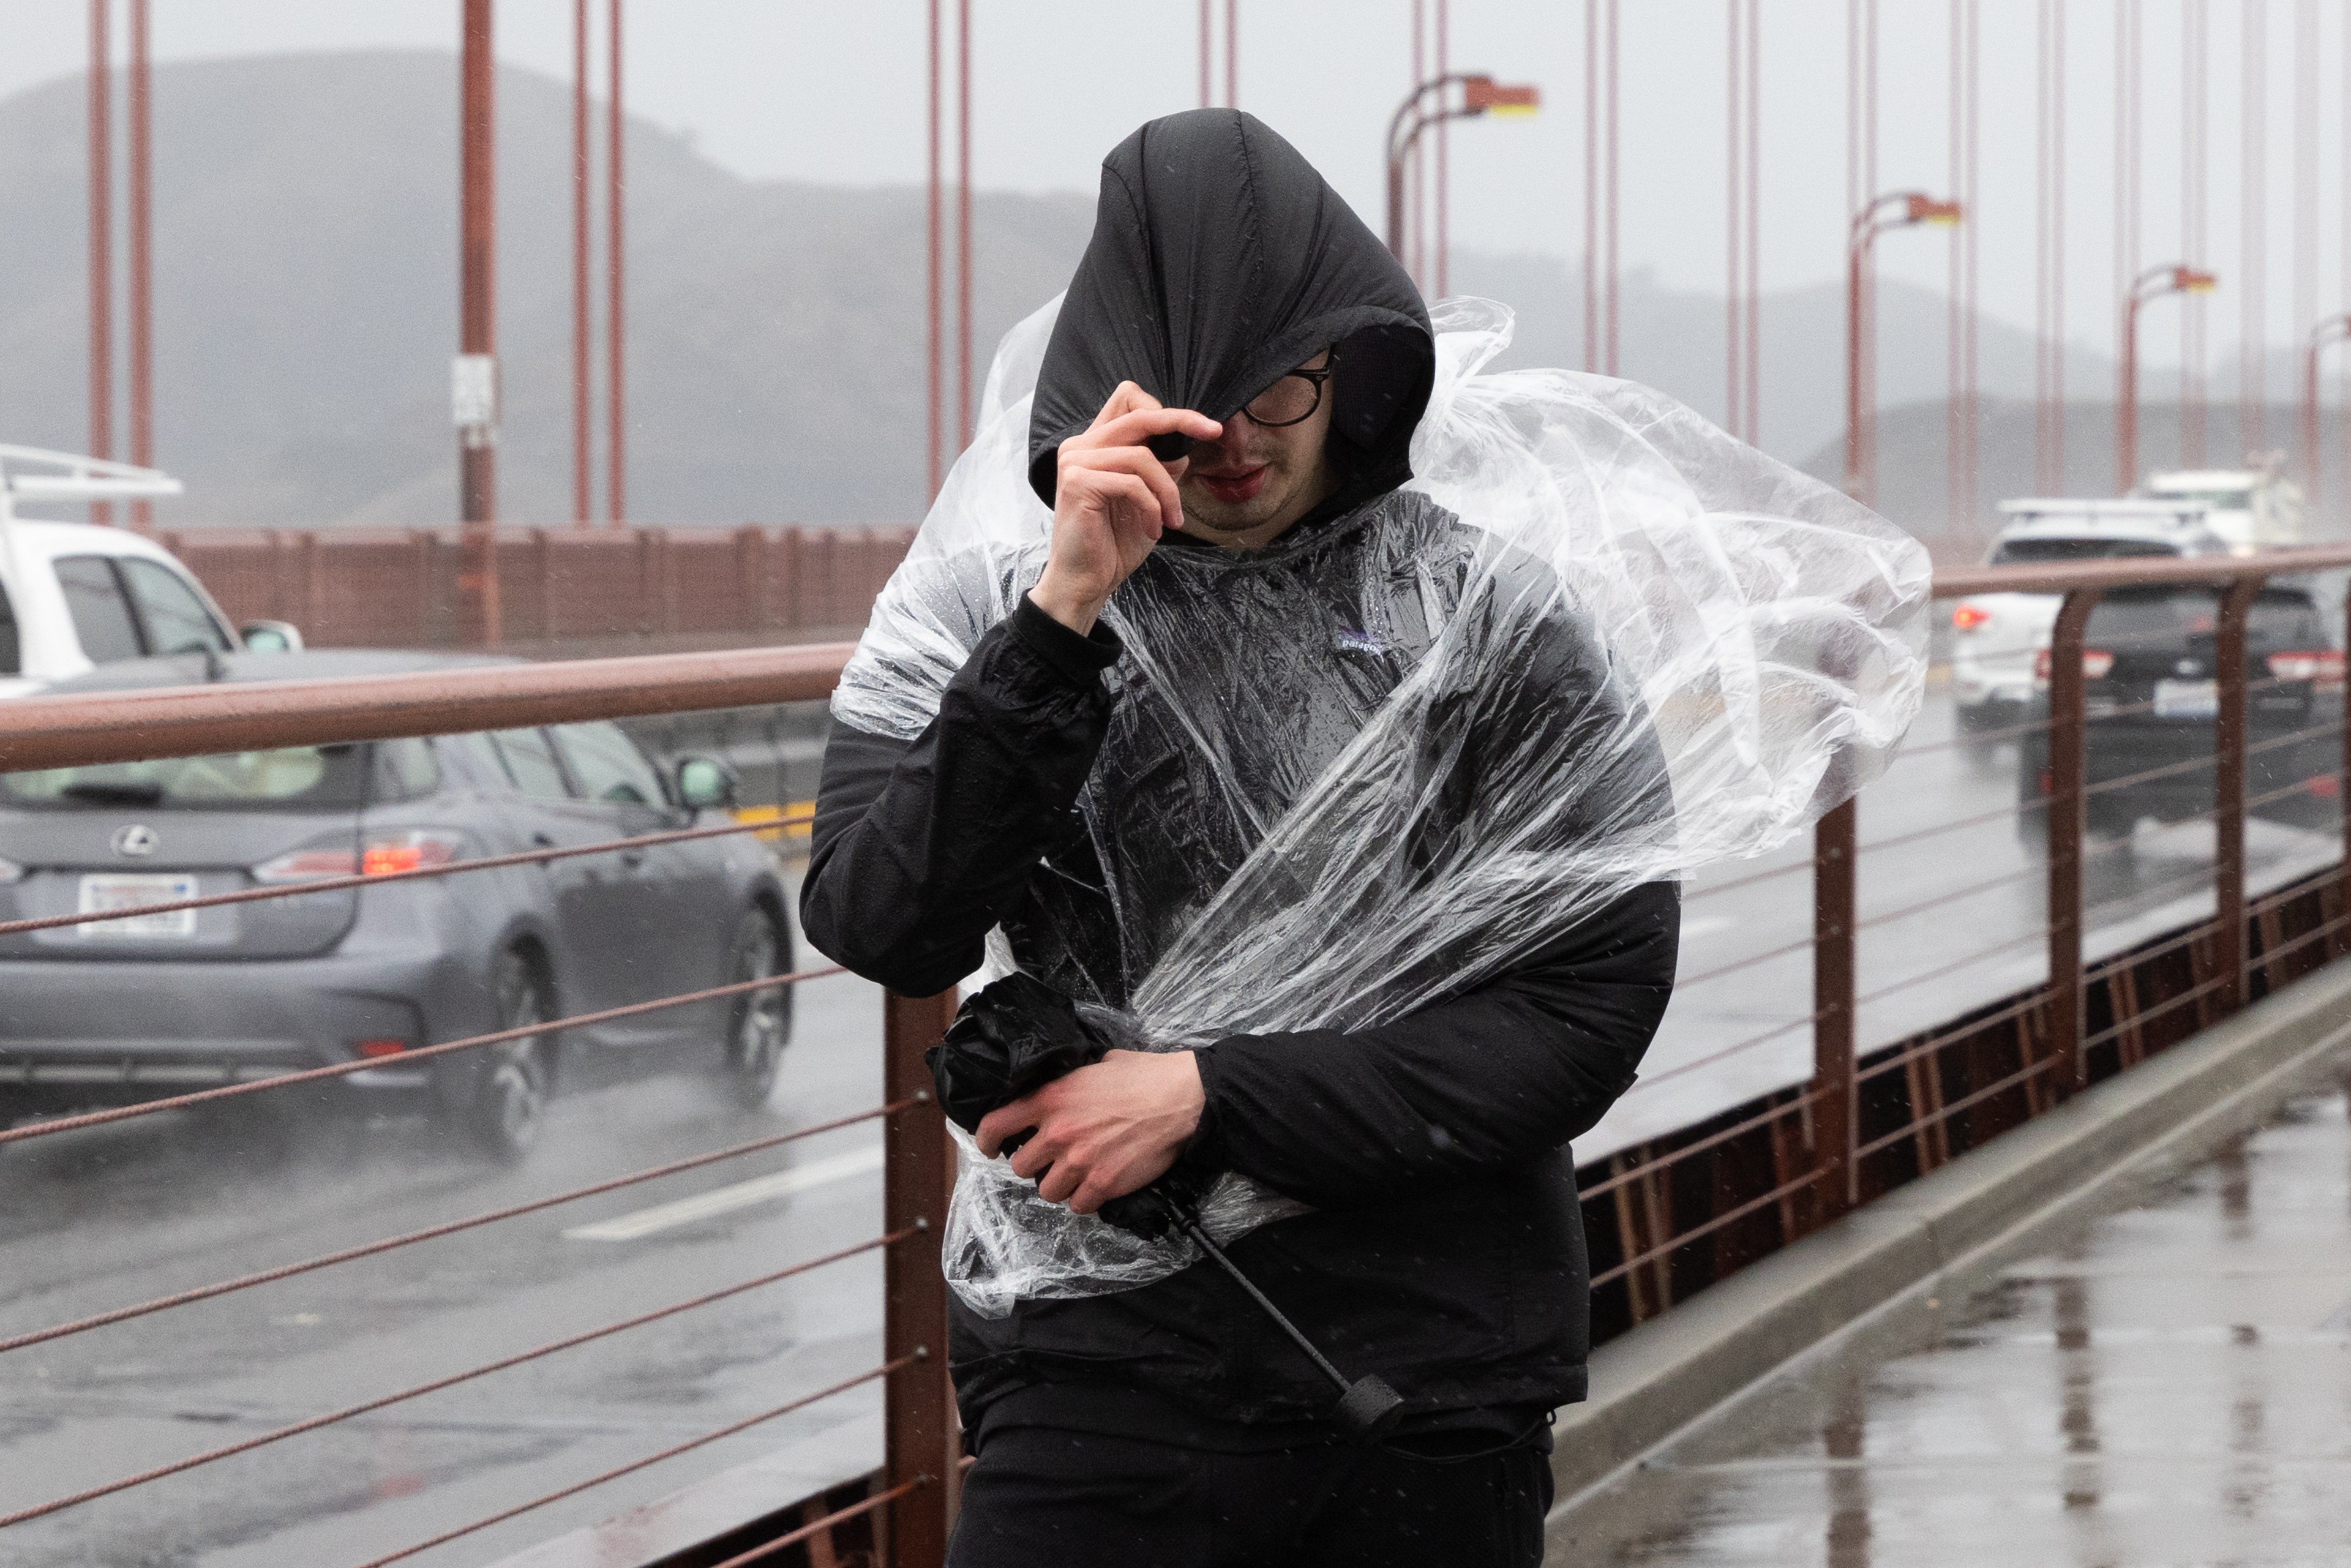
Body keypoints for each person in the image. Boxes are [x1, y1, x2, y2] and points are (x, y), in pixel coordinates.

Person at [804, 110, 1678, 1567]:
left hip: (1422, 1361)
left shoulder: (1487, 618)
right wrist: (1061, 618)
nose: (1233, 448)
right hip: (1103, 1355)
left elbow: (1587, 1010)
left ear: (1353, 367)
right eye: (1187, 412)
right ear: (1108, 403)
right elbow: (884, 922)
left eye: (1278, 390)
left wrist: (1207, 1096)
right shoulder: (986, 613)